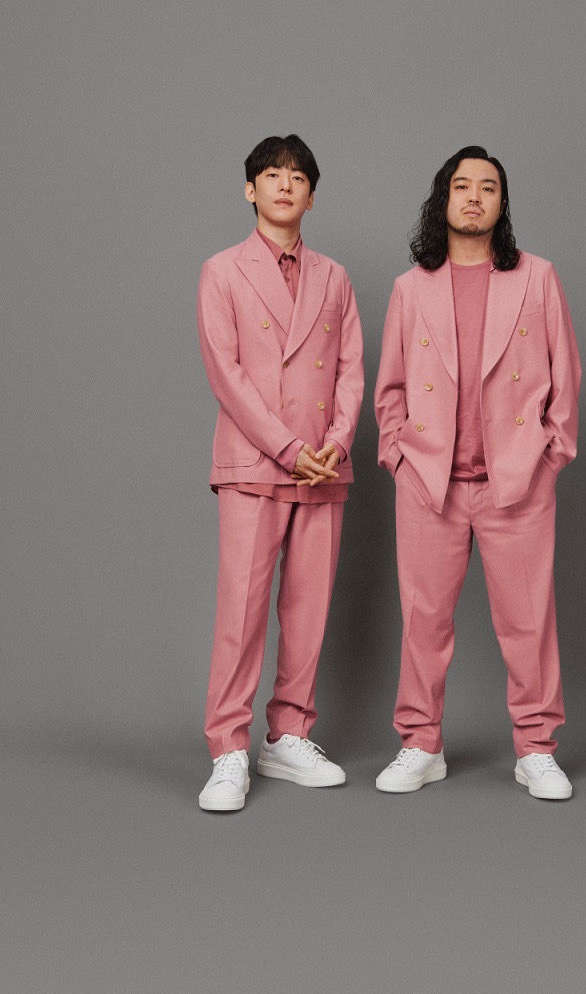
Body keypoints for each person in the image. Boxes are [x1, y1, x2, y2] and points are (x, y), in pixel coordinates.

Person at [374, 146, 581, 799]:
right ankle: (420, 743)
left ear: (502, 202)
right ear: (443, 199)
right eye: (461, 186)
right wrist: (398, 457)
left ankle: (536, 749)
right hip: (429, 481)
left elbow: (566, 377)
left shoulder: (537, 277)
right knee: (423, 620)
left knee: (528, 622)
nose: (473, 197)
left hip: (515, 481)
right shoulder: (411, 288)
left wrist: (549, 458)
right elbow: (390, 389)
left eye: (487, 187)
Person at [197, 135, 364, 811]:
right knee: (240, 611)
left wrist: (337, 442)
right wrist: (291, 448)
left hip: (323, 465)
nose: (285, 185)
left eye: (298, 178)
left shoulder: (335, 277)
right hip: (255, 462)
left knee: (308, 609)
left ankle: (289, 735)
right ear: (251, 190)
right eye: (272, 175)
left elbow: (351, 368)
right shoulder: (221, 271)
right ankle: (228, 749)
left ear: (312, 197)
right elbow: (226, 374)